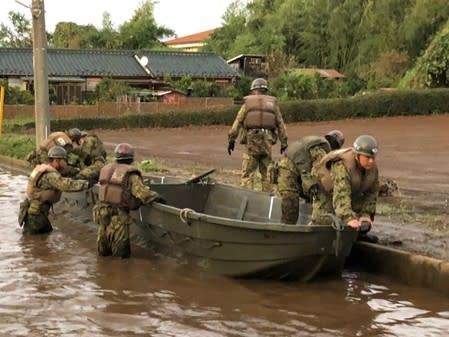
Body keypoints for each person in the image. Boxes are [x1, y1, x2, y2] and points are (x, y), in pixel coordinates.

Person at [94, 143, 163, 258]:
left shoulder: (106, 169)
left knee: (103, 253)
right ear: (131, 158)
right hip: (119, 216)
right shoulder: (131, 175)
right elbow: (143, 194)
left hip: (102, 215)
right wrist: (158, 197)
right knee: (121, 256)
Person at [311, 135, 380, 242]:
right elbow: (341, 195)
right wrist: (348, 218)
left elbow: (372, 193)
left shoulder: (372, 169)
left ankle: (355, 237)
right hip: (325, 191)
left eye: (373, 157)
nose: (371, 161)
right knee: (324, 222)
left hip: (352, 190)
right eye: (367, 157)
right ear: (357, 155)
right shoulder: (341, 166)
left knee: (357, 221)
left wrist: (366, 215)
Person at [227, 78, 288, 192]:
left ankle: (247, 197)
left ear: (254, 90)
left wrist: (231, 140)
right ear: (265, 90)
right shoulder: (273, 105)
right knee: (267, 174)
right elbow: (280, 124)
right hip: (267, 143)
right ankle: (267, 199)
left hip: (251, 143)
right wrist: (284, 143)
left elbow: (238, 122)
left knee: (247, 174)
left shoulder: (248, 104)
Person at [276, 130, 345, 224]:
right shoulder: (322, 148)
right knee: (291, 204)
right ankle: (286, 232)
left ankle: (287, 227)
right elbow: (321, 171)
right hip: (289, 168)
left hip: (286, 165)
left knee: (291, 200)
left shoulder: (314, 141)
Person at [18, 146, 90, 235]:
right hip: (36, 217)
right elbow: (67, 185)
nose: (65, 162)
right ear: (56, 161)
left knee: (45, 236)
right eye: (64, 160)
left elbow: (69, 171)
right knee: (32, 242)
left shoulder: (47, 169)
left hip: (38, 213)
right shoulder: (51, 175)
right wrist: (87, 184)